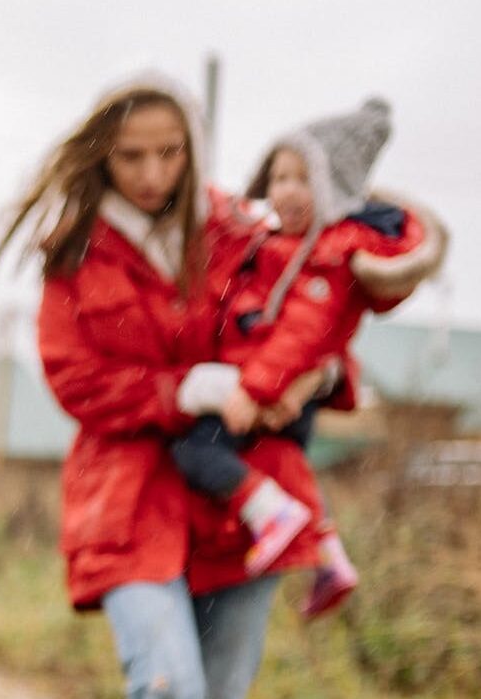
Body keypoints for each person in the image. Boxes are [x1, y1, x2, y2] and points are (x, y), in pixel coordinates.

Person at [0, 78, 427, 699]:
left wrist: (322, 374)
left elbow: (322, 289)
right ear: (102, 156)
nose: (154, 173)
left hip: (245, 496)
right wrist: (186, 390)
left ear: (192, 149)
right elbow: (77, 382)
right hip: (129, 495)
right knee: (166, 685)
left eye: (170, 152)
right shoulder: (74, 251)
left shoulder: (236, 226)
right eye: (132, 156)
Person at [178, 97, 444, 616]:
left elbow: (300, 336)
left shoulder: (325, 257)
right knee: (287, 464)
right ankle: (329, 555)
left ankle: (271, 515)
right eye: (278, 177)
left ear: (332, 190)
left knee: (195, 452)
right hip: (278, 389)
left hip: (270, 390)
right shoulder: (272, 246)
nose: (286, 191)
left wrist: (254, 392)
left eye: (303, 179)